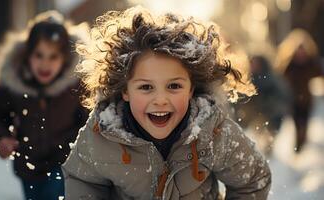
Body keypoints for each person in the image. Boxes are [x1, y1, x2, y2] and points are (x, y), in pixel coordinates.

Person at [62, 6, 271, 199]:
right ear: (125, 91)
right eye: (146, 87)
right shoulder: (103, 135)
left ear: (191, 89)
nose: (160, 100)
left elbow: (253, 179)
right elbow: (83, 180)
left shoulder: (213, 133)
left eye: (174, 86)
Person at [0, 11, 88, 200]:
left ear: (64, 58)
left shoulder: (74, 87)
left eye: (53, 56)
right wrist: (1, 138)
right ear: (27, 56)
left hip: (65, 162)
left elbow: (88, 119)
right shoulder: (14, 84)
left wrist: (80, 148)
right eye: (39, 55)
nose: (45, 64)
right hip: (28, 164)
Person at [274, 29, 323, 152]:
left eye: (303, 50)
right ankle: (298, 146)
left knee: (305, 123)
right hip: (293, 98)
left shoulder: (311, 62)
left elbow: (319, 73)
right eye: (299, 50)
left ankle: (302, 143)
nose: (301, 53)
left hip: (306, 99)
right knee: (297, 123)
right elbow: (280, 73)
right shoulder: (290, 63)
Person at [234, 55, 290, 154]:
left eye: (256, 64)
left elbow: (281, 97)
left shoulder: (272, 80)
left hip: (269, 114)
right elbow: (239, 98)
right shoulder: (246, 79)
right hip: (253, 115)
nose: (254, 66)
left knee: (268, 138)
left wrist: (268, 104)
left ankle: (268, 150)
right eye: (252, 63)